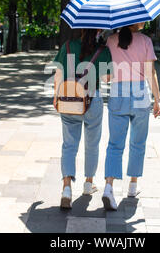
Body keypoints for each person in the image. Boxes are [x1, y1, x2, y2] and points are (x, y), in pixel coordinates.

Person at [102, 22, 160, 211]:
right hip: (140, 93)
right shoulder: (145, 41)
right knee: (138, 141)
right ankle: (133, 185)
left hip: (118, 92)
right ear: (137, 21)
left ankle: (109, 186)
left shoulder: (111, 40)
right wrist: (158, 100)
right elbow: (151, 73)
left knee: (114, 143)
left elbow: (106, 76)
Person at [53, 29, 113, 209]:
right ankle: (88, 183)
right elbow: (107, 78)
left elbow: (57, 74)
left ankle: (66, 188)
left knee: (69, 145)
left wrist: (56, 97)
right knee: (92, 144)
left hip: (68, 99)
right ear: (99, 31)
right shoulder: (103, 50)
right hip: (92, 100)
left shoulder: (68, 46)